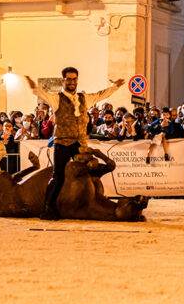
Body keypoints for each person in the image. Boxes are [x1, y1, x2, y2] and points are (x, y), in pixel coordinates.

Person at [25, 68, 124, 220]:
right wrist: (33, 86)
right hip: (62, 142)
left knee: (92, 167)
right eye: (69, 79)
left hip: (80, 143)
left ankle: (93, 200)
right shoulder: (56, 99)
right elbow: (42, 94)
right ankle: (47, 208)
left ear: (77, 80)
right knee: (58, 176)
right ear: (63, 81)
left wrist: (114, 87)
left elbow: (101, 95)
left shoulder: (84, 98)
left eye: (74, 79)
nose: (72, 82)